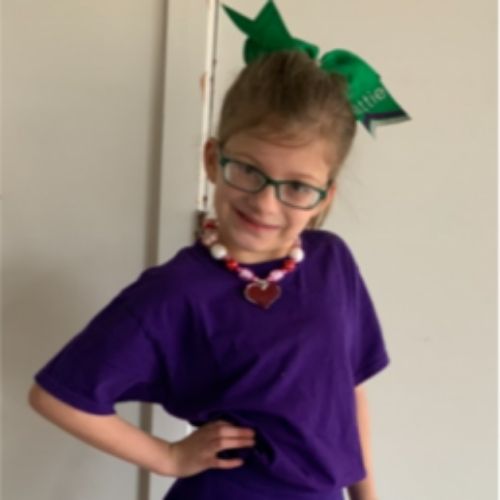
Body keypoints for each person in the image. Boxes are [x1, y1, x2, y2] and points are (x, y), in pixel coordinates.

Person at [29, 2, 409, 499]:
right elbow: (58, 396)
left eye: (297, 186)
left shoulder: (331, 264)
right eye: (249, 170)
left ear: (325, 196)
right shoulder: (173, 293)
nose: (266, 202)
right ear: (213, 159)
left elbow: (349, 393)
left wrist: (368, 497)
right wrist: (167, 456)